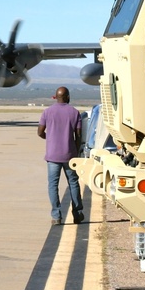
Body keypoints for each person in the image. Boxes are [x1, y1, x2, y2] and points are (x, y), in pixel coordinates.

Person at [37, 86, 84, 226]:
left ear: (55, 97)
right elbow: (79, 136)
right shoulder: (75, 113)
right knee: (73, 184)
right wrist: (75, 151)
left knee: (53, 185)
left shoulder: (47, 112)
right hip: (70, 155)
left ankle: (56, 216)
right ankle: (77, 214)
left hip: (52, 156)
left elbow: (39, 132)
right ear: (68, 97)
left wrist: (50, 138)